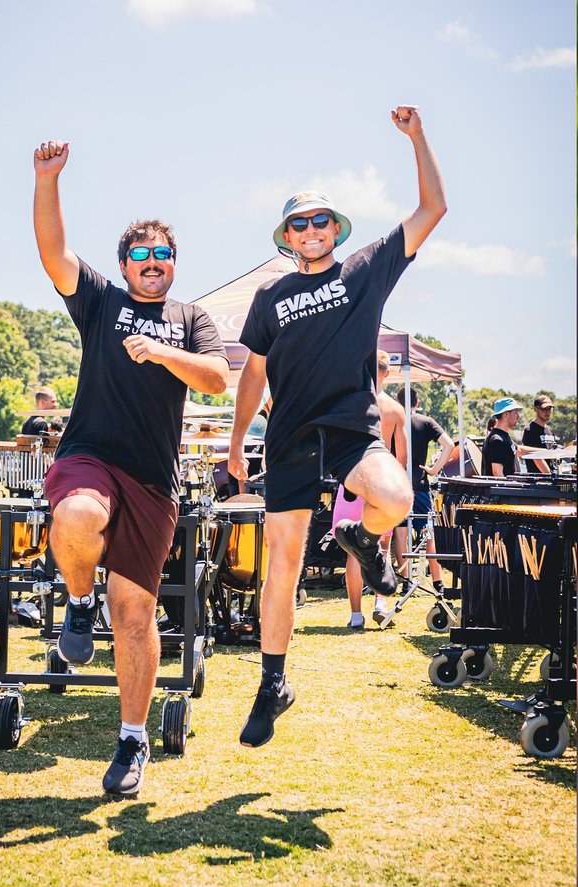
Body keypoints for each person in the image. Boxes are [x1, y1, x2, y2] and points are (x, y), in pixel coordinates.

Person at [228, 105, 446, 748]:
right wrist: (238, 442)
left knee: (397, 498)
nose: (312, 229)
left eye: (321, 219)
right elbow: (253, 375)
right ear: (287, 236)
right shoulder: (269, 298)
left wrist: (417, 137)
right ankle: (273, 682)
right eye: (300, 223)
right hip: (289, 437)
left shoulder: (365, 270)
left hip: (352, 429)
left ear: (336, 229)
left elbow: (432, 209)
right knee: (283, 565)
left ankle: (361, 537)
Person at [33, 139, 229, 797]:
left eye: (162, 255)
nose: (153, 263)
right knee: (77, 514)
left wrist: (162, 353)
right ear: (124, 265)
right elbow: (54, 254)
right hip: (90, 456)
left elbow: (217, 379)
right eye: (141, 256)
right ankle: (77, 601)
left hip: (154, 480)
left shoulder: (191, 317)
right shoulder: (101, 303)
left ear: (173, 265)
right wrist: (47, 179)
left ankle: (132, 738)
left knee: (135, 613)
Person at [340, 350, 408, 629]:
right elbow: (402, 457)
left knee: (354, 550)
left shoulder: (352, 402)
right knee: (381, 546)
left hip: (354, 480)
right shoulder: (395, 409)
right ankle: (381, 604)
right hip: (382, 482)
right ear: (387, 373)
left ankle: (356, 615)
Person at [393, 387, 455, 603]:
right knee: (428, 534)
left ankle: (405, 580)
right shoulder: (426, 422)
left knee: (401, 533)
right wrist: (434, 469)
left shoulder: (394, 420)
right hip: (419, 484)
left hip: (397, 484)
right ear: (417, 403)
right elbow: (449, 445)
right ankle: (438, 582)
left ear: (398, 402)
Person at [481, 397, 529, 477]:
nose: (518, 416)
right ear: (506, 414)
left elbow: (519, 450)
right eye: (516, 412)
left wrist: (545, 452)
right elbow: (497, 473)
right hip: (502, 485)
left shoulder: (504, 437)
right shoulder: (497, 440)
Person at [522, 395, 556, 475]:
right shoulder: (530, 429)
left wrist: (559, 476)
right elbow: (536, 457)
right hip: (538, 479)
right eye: (544, 409)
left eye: (549, 409)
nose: (547, 412)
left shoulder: (550, 430)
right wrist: (549, 475)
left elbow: (555, 455)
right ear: (535, 409)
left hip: (552, 477)